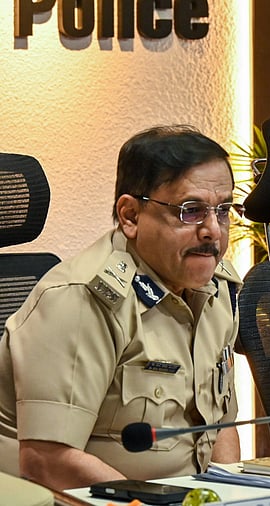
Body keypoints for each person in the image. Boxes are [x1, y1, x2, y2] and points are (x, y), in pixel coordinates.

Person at [0, 125, 243, 490]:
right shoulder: (81, 300)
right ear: (130, 216)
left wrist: (231, 496)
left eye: (223, 210)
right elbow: (46, 461)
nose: (213, 231)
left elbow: (219, 425)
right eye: (191, 211)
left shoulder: (217, 288)